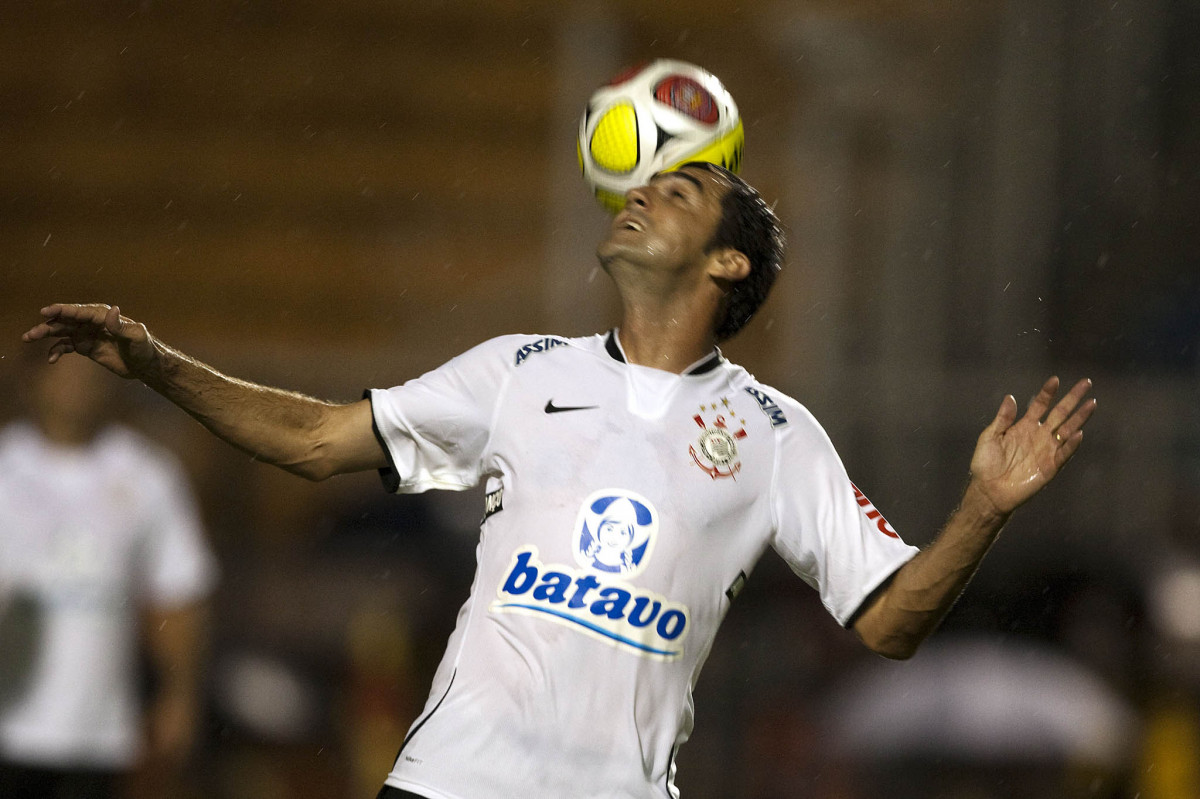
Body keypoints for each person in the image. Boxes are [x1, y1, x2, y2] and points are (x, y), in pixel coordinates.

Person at [21, 161, 1096, 799]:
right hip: (448, 784)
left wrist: (983, 509)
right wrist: (159, 366)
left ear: (728, 266)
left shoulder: (774, 433)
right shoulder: (519, 370)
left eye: (675, 193)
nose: (639, 196)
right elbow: (313, 439)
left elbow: (890, 619)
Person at [0, 352, 218, 799]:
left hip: (101, 734)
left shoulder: (146, 474)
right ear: (33, 380)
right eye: (63, 371)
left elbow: (177, 591)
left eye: (88, 372)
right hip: (8, 725)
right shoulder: (6, 467)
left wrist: (179, 693)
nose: (76, 385)